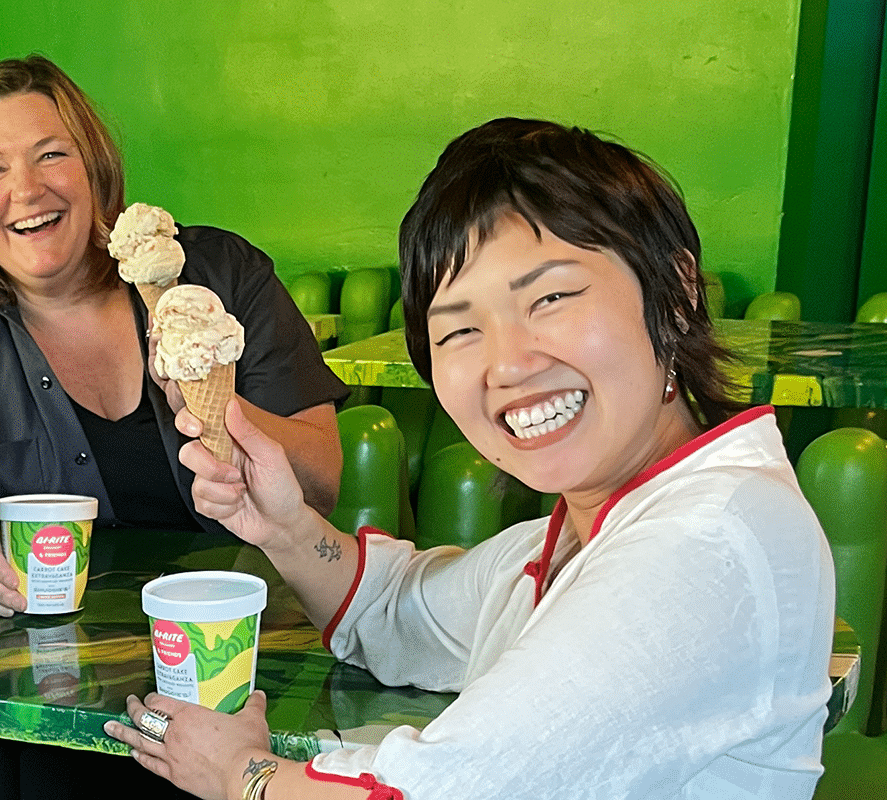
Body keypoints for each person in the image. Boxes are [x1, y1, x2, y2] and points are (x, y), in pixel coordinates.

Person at [108, 118, 834, 799]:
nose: (508, 365)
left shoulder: (704, 542)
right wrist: (285, 526)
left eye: (550, 296)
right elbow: (399, 611)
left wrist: (244, 773)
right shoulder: (599, 528)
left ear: (674, 293)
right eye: (459, 331)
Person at [0, 54, 348, 620]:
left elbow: (321, 481)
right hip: (35, 655)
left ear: (94, 169)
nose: (28, 190)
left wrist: (221, 413)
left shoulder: (220, 276)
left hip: (241, 636)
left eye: (51, 155)